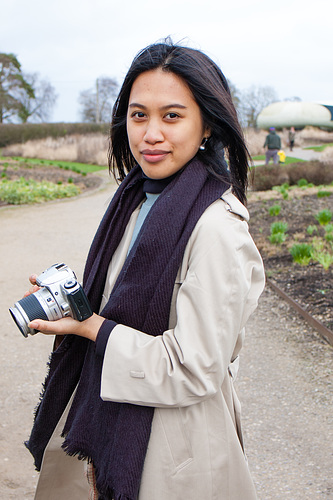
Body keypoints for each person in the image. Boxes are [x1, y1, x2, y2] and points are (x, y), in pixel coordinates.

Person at [24, 39, 265, 500]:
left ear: (208, 125)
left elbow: (192, 367)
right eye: (139, 115)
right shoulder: (136, 199)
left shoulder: (217, 227)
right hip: (108, 425)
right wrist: (77, 302)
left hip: (173, 452)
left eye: (171, 116)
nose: (150, 133)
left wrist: (92, 327)